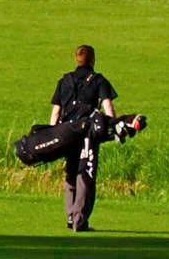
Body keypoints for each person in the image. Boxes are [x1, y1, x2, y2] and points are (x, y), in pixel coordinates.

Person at [46, 45, 122, 233]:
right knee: (86, 174)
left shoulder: (64, 81)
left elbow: (55, 112)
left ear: (76, 59)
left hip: (65, 133)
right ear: (93, 60)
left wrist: (51, 135)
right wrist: (114, 127)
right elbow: (108, 108)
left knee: (71, 173)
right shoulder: (98, 81)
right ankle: (80, 221)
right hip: (87, 134)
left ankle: (71, 216)